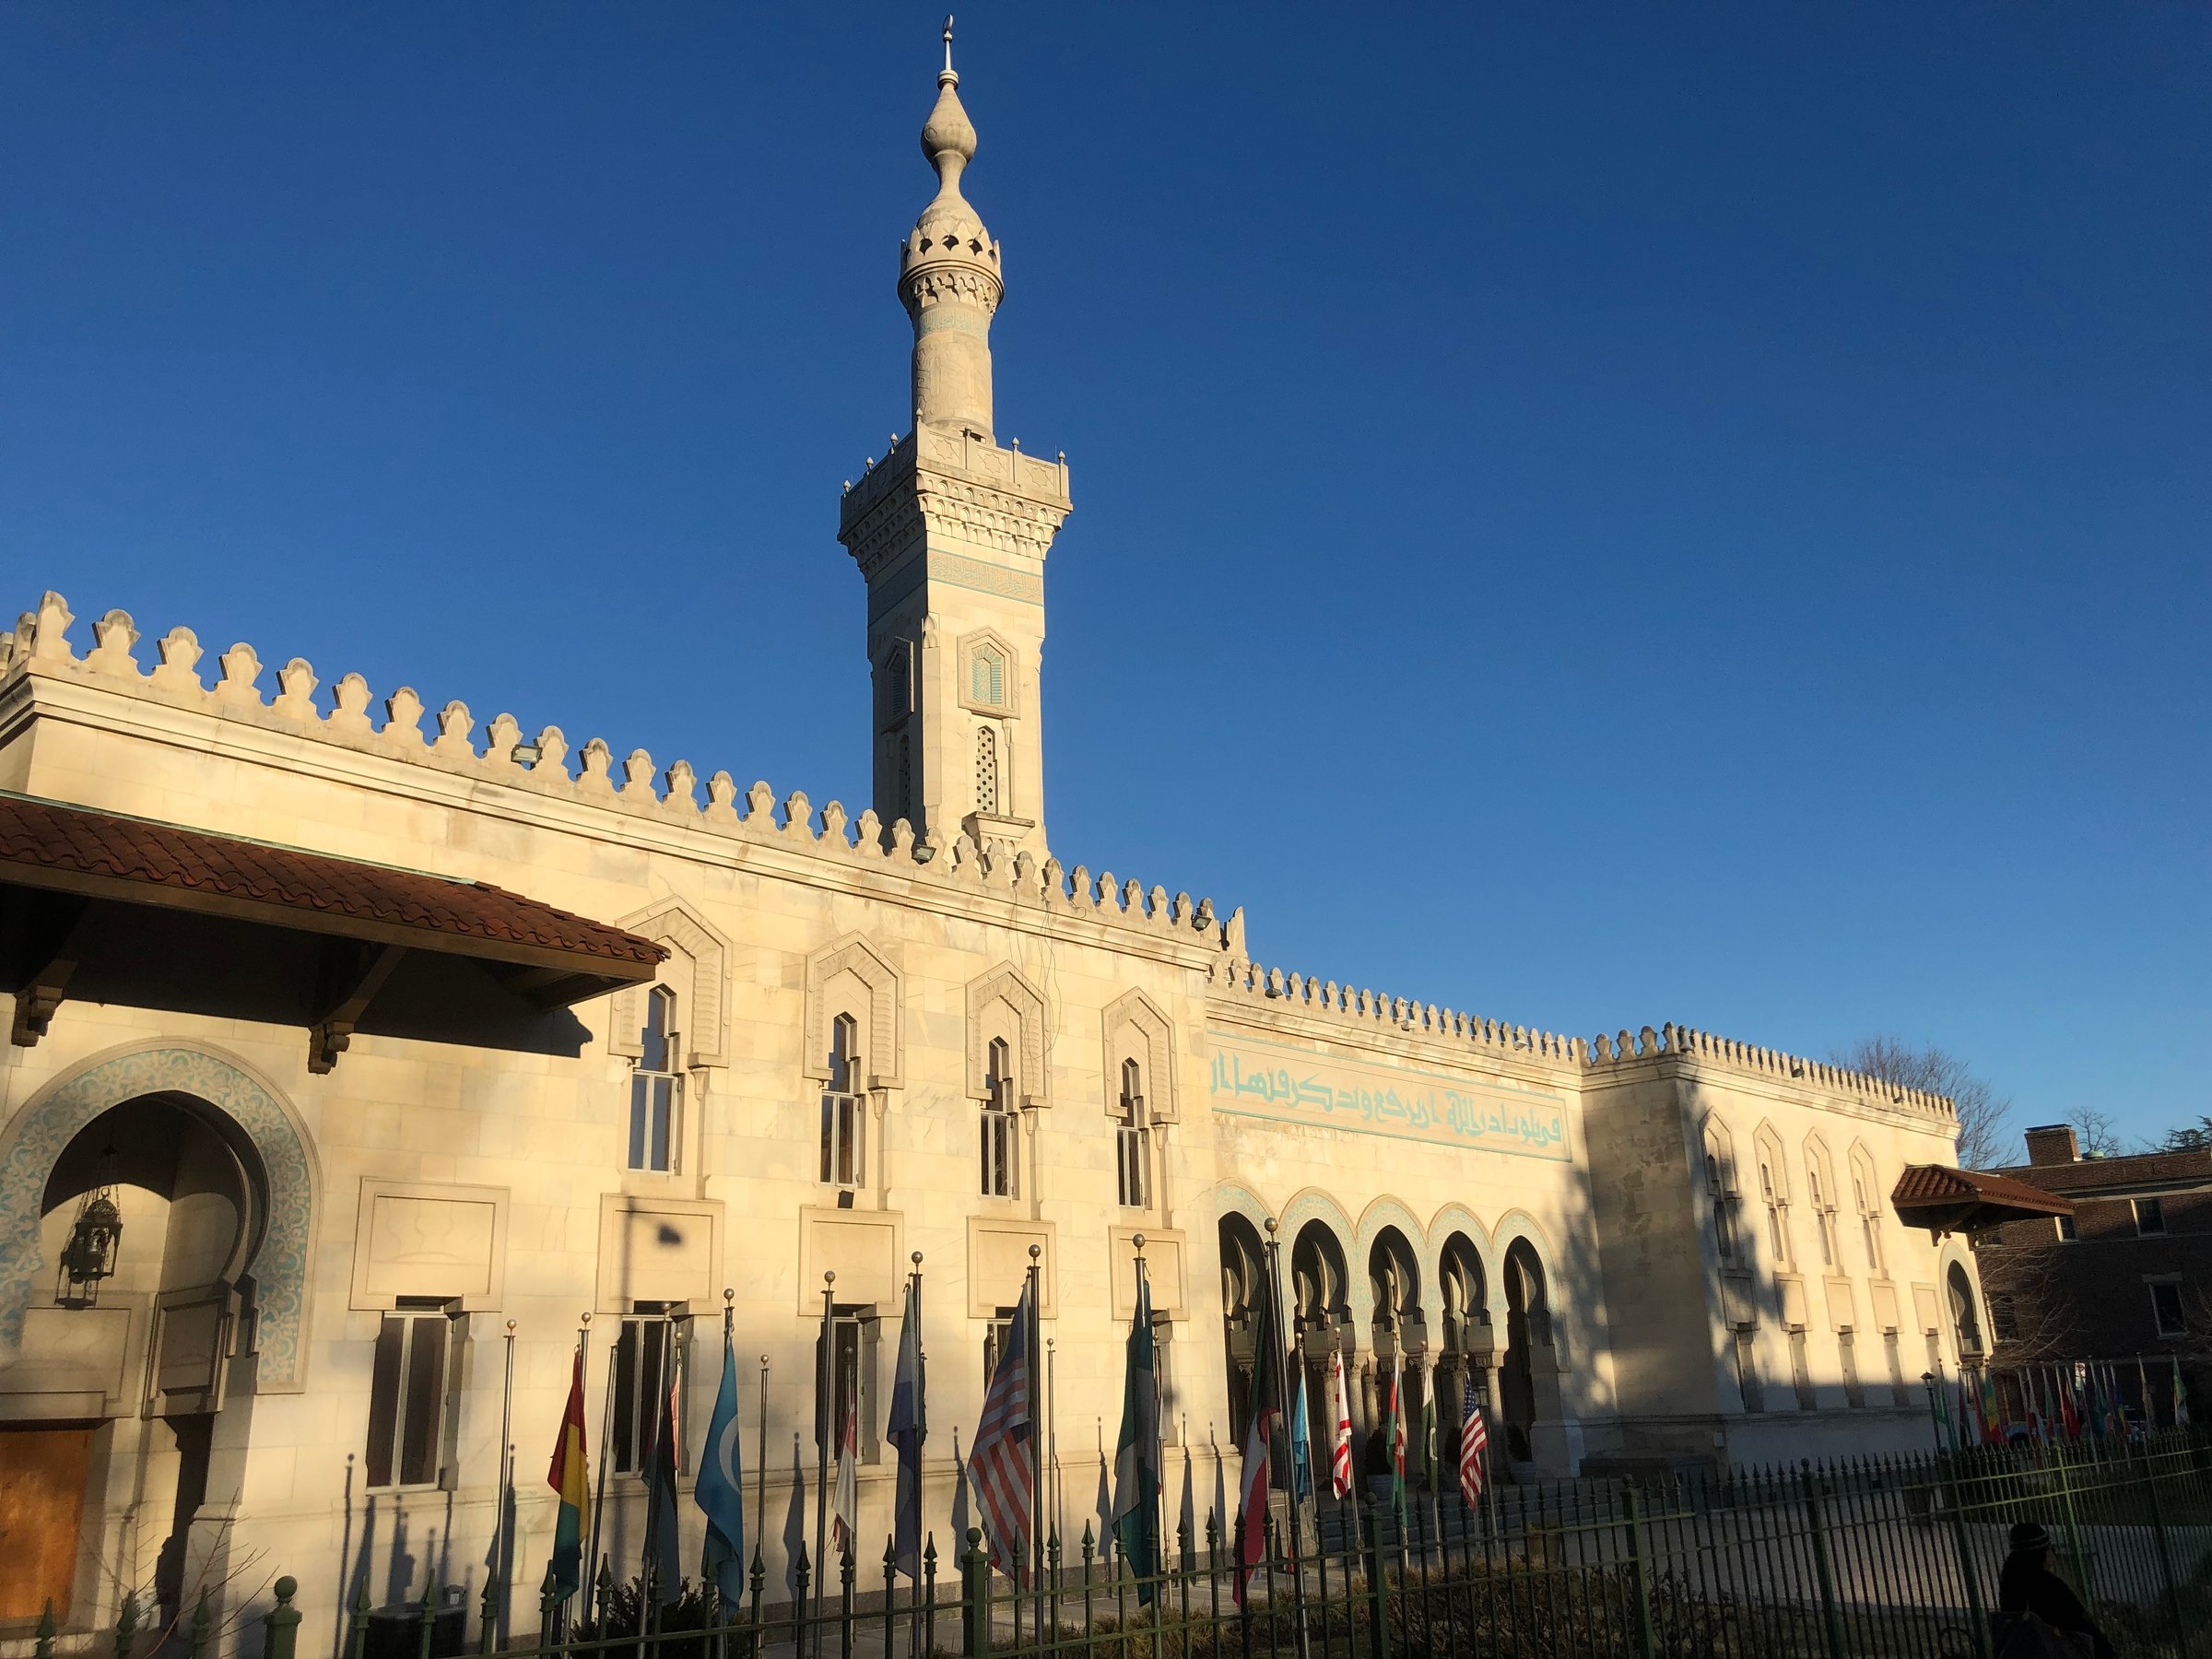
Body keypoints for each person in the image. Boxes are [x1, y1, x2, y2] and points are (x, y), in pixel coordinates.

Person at [1994, 1522, 2114, 1659]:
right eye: (2050, 1548)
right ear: (2043, 1553)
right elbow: (2080, 1624)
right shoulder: (2051, 1587)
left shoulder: (2011, 1583)